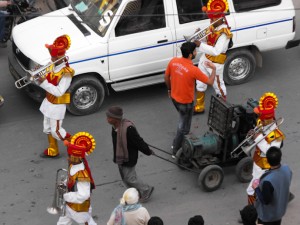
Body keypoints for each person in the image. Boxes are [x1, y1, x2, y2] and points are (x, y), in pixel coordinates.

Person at [164, 41, 216, 155]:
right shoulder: (193, 70)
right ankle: (176, 148)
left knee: (183, 121)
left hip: (174, 98)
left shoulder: (173, 61)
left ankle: (179, 143)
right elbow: (211, 81)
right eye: (195, 51)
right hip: (186, 103)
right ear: (191, 54)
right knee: (183, 127)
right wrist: (213, 68)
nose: (196, 52)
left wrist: (169, 89)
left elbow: (166, 76)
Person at [106, 106, 154, 202]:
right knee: (125, 177)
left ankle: (146, 189)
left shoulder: (129, 129)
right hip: (120, 157)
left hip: (129, 157)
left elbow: (138, 142)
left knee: (130, 178)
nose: (107, 119)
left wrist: (148, 151)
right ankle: (135, 192)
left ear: (115, 119)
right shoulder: (114, 127)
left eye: (109, 117)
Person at [193, 0, 232, 114]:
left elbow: (216, 51)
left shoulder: (224, 33)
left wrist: (200, 45)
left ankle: (223, 109)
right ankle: (199, 106)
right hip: (205, 59)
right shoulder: (213, 25)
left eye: (213, 18)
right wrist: (199, 35)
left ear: (219, 18)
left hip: (215, 64)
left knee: (218, 87)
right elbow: (208, 41)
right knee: (200, 83)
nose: (211, 20)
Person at [39, 34, 75, 158]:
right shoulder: (51, 65)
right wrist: (36, 76)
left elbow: (59, 92)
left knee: (57, 132)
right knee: (47, 128)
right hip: (48, 102)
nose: (52, 58)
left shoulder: (66, 73)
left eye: (54, 56)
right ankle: (53, 150)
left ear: (60, 57)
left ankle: (76, 147)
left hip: (57, 105)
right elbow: (45, 79)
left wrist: (42, 82)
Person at [246, 93, 284, 205]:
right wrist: (251, 136)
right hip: (257, 163)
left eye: (260, 115)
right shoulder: (260, 123)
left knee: (250, 190)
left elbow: (270, 152)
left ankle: (251, 212)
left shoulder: (277, 136)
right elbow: (256, 139)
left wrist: (257, 138)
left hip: (266, 167)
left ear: (266, 119)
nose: (258, 118)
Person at [57, 133, 97, 225]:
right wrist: (64, 183)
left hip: (79, 209)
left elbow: (83, 195)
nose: (67, 158)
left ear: (75, 157)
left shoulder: (82, 175)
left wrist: (66, 196)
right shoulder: (73, 165)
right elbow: (71, 179)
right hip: (69, 205)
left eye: (69, 156)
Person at [252, 147, 292, 225]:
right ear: (280, 158)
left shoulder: (268, 181)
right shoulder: (287, 169)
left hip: (268, 217)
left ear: (267, 160)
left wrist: (256, 188)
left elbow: (265, 201)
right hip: (280, 211)